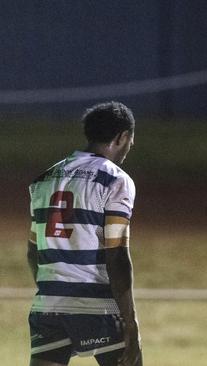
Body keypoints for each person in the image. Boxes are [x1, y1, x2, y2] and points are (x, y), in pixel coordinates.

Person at [27, 101, 142, 366]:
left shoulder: (44, 180)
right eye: (130, 141)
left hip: (47, 304)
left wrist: (54, 290)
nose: (129, 148)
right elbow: (117, 256)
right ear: (121, 137)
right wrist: (130, 321)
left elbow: (33, 251)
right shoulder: (114, 179)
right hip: (96, 304)